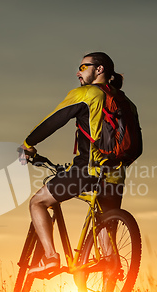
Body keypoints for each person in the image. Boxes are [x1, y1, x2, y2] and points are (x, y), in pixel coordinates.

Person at [19, 52, 138, 275]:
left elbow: (54, 120)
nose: (78, 72)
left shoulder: (87, 94)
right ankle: (111, 290)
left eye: (83, 67)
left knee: (38, 202)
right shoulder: (127, 103)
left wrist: (28, 144)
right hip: (115, 175)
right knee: (104, 229)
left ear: (100, 69)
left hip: (87, 171)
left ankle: (51, 258)